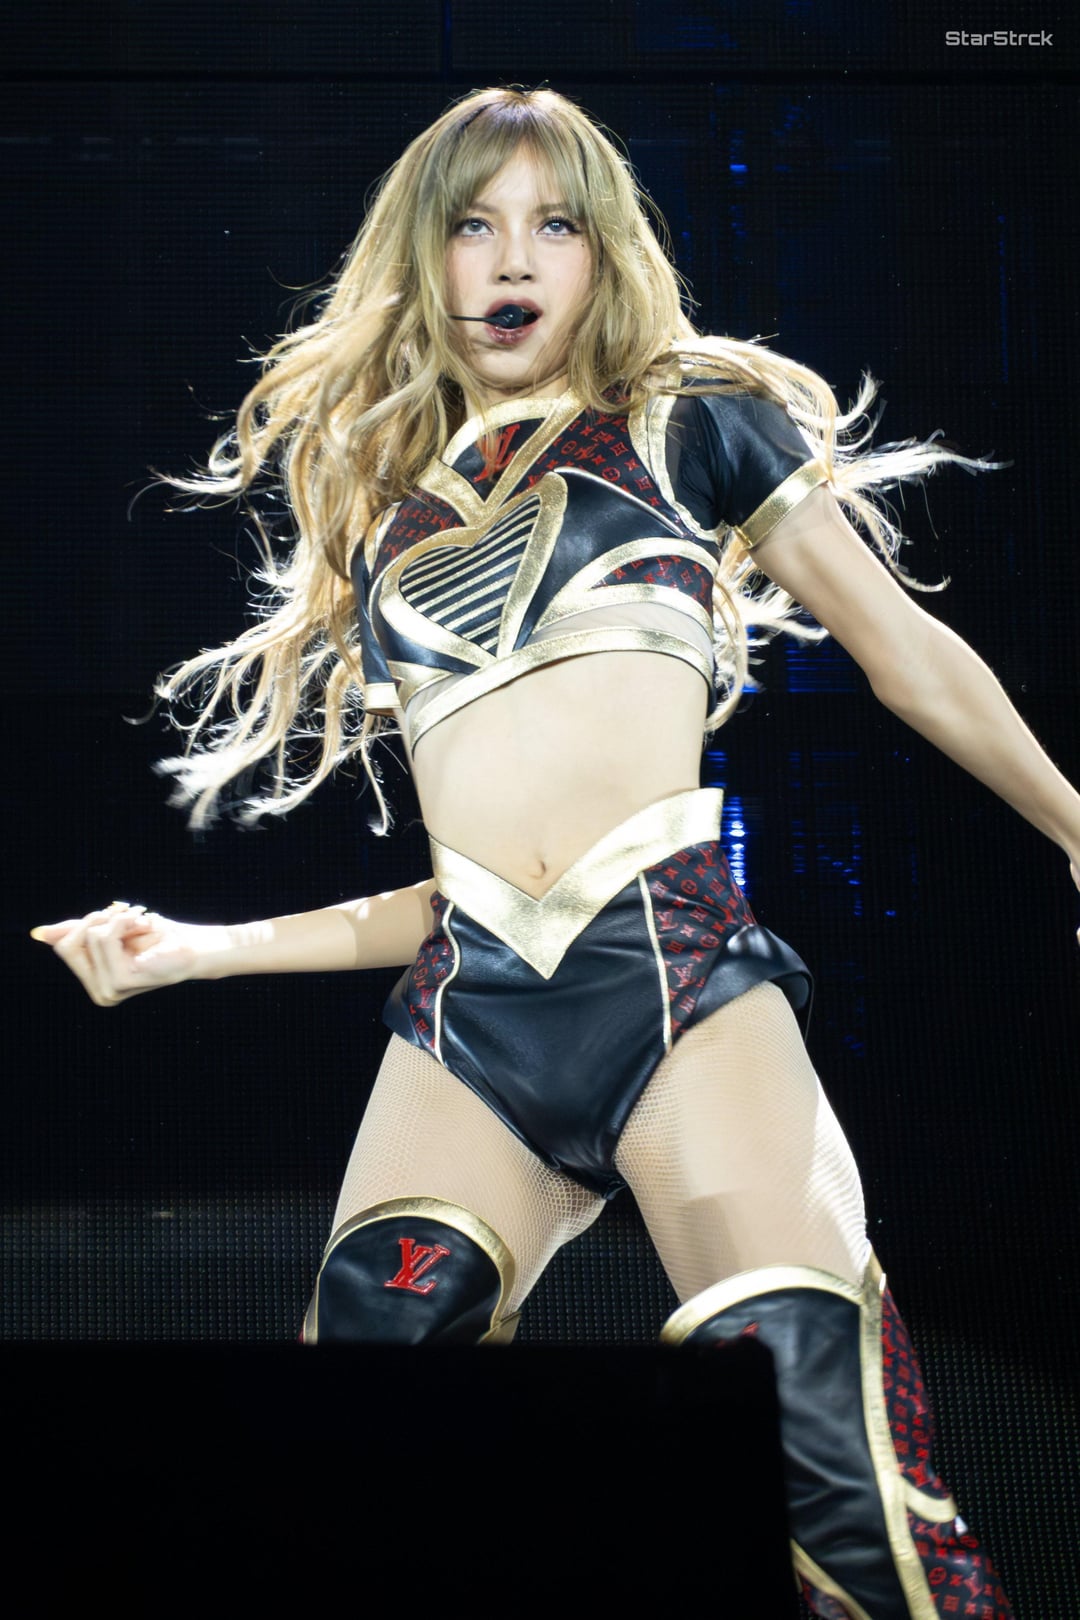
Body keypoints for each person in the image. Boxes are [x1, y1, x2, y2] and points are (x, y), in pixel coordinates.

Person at [32, 87, 1077, 1618]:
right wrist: (198, 951)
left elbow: (907, 654)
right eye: (475, 223)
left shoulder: (693, 427)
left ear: (602, 254)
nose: (513, 257)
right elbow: (466, 886)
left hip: (678, 987)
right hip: (471, 1022)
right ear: (426, 255)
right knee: (336, 1449)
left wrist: (1077, 827)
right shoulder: (392, 521)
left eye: (555, 223)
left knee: (832, 1465)